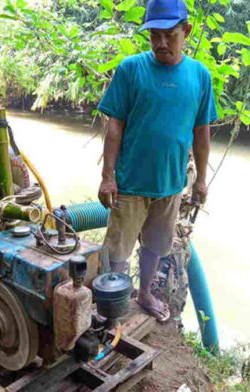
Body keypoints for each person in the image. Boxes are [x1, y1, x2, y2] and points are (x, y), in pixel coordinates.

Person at [96, 0, 217, 322]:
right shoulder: (131, 68)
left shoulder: (199, 75)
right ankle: (113, 306)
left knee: (155, 247)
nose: (162, 43)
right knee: (117, 252)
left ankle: (145, 293)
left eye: (170, 35)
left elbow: (201, 132)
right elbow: (114, 126)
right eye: (154, 36)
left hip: (171, 183)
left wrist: (201, 179)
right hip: (130, 182)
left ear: (186, 31)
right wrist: (108, 176)